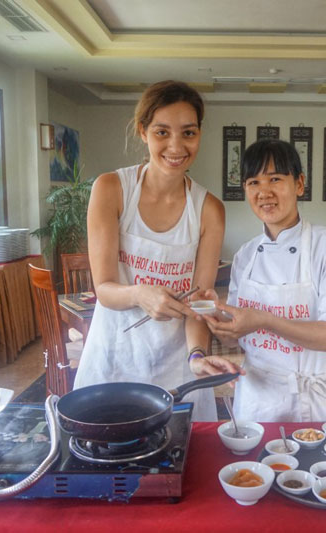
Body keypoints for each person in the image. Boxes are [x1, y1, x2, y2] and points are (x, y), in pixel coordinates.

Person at [74, 80, 241, 421]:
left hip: (177, 368)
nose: (176, 146)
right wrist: (139, 294)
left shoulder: (208, 209)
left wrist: (197, 355)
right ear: (143, 132)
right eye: (162, 132)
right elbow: (104, 289)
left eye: (189, 133)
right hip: (115, 358)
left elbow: (200, 301)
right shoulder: (112, 189)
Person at [202, 139, 326, 422]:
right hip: (257, 399)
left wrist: (265, 320)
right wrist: (221, 326)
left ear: (299, 184)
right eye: (254, 183)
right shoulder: (245, 256)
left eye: (275, 179)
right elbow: (237, 338)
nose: (264, 192)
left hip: (316, 403)